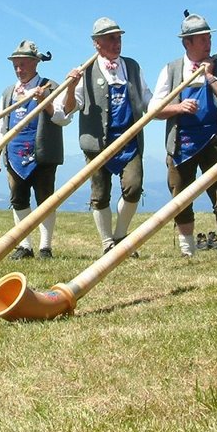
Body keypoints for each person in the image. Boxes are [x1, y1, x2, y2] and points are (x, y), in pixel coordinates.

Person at [149, 11, 217, 257]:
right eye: (202, 39)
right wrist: (178, 108)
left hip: (216, 140)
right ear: (187, 43)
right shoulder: (171, 70)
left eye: (208, 38)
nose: (207, 43)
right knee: (180, 197)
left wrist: (210, 76)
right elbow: (154, 110)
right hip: (182, 143)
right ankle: (187, 248)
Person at [59, 17, 153, 255]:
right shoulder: (84, 70)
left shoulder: (132, 66)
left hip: (129, 140)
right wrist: (71, 86)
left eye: (119, 38)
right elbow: (69, 108)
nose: (117, 43)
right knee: (99, 195)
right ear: (96, 43)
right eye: (111, 38)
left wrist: (167, 107)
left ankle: (120, 235)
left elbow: (147, 99)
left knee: (133, 187)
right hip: (97, 144)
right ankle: (106, 243)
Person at [0, 40, 71, 259]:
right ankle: (24, 245)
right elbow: (1, 124)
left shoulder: (51, 86)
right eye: (16, 65)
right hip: (14, 153)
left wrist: (45, 100)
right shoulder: (8, 92)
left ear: (35, 63)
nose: (19, 69)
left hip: (43, 152)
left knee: (46, 199)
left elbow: (61, 118)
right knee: (18, 198)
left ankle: (45, 247)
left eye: (23, 64)